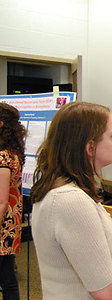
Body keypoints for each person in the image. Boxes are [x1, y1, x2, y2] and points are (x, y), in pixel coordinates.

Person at [30, 102, 112, 300]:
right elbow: (106, 292)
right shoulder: (70, 201)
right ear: (90, 147)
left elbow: (98, 265)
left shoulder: (68, 192)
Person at [0, 103, 26, 300]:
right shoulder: (13, 153)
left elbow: (1, 200)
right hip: (10, 225)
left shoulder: (3, 157)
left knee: (7, 279)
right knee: (7, 276)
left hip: (2, 228)